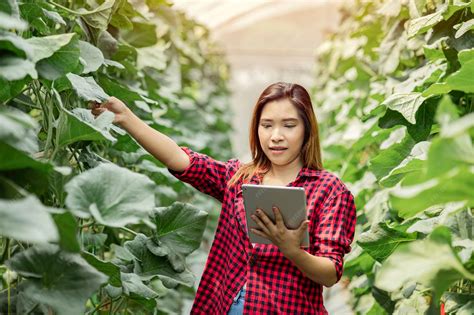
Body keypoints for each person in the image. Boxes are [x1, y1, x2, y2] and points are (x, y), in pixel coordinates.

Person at [91, 82, 357, 314]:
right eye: (267, 125)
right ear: (257, 129)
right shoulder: (240, 178)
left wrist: (292, 251)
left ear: (307, 130)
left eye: (289, 125)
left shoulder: (329, 190)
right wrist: (127, 119)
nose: (276, 136)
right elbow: (181, 160)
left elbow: (331, 272)